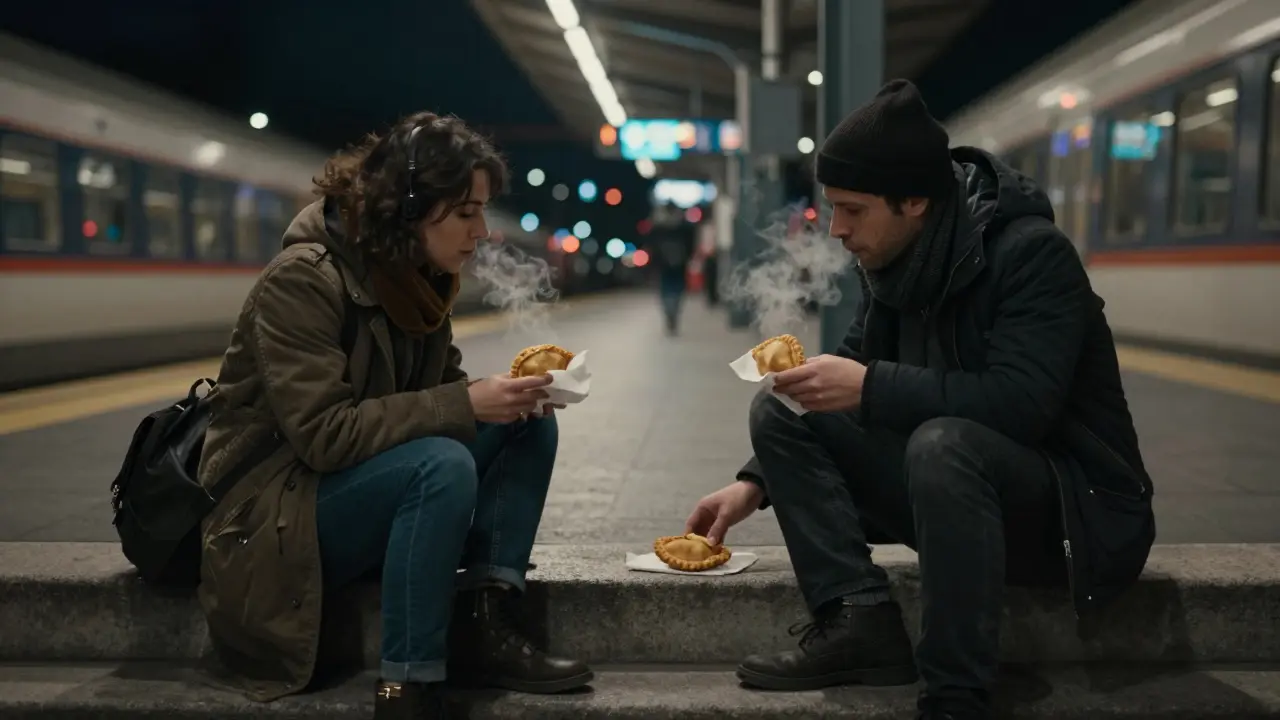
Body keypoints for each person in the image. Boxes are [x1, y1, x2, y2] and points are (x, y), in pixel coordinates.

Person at [685, 79, 1155, 720]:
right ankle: (858, 620)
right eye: (831, 207)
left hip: (1074, 515)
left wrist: (871, 386)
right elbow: (849, 371)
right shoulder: (894, 262)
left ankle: (955, 693)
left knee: (944, 442)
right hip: (955, 498)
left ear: (914, 201)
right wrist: (756, 484)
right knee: (783, 406)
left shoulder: (1032, 255)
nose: (836, 229)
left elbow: (1022, 406)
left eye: (852, 209)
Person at [196, 111, 592, 720]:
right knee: (438, 465)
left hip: (336, 494)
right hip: (272, 519)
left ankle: (484, 620)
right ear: (406, 209)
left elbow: (437, 397)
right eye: (465, 212)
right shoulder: (301, 282)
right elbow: (324, 438)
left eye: (482, 211)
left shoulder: (415, 282)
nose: (482, 231)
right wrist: (464, 401)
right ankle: (407, 685)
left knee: (525, 422)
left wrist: (501, 398)